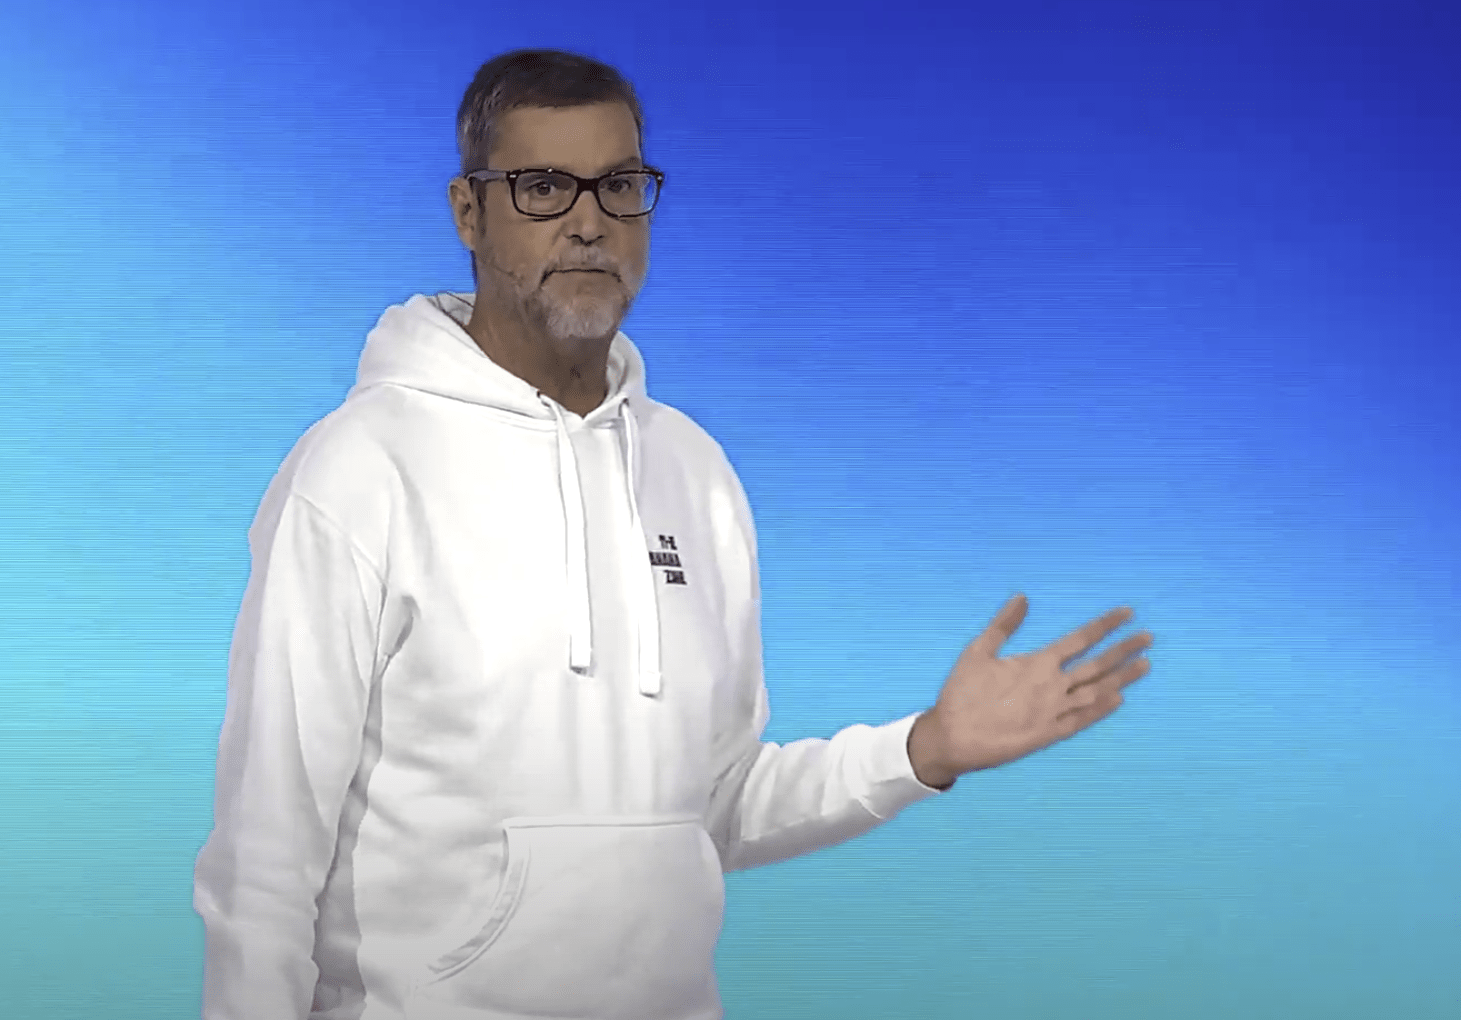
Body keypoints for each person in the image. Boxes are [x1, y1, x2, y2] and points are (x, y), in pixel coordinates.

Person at [192, 46, 1154, 1020]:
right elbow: (266, 859)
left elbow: (718, 805)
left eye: (619, 187)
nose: (588, 222)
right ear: (467, 211)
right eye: (541, 187)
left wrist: (925, 748)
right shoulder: (361, 471)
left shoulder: (695, 472)